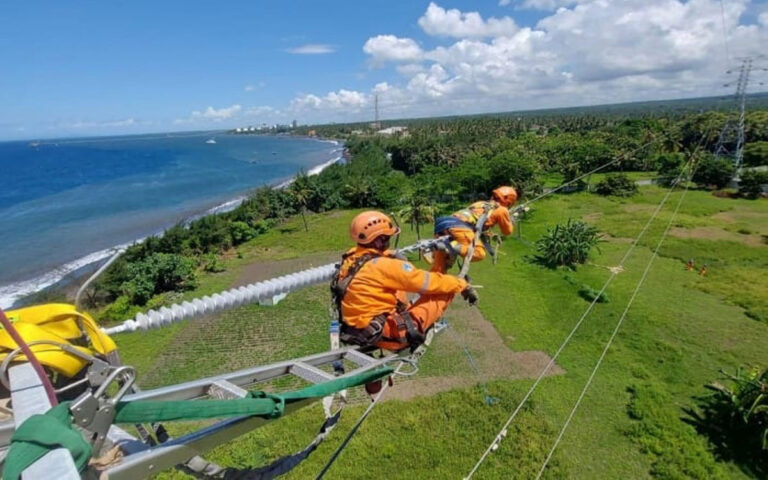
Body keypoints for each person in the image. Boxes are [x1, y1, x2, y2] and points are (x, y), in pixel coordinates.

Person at [332, 211, 478, 352]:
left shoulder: (351, 258)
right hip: (387, 335)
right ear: (379, 240)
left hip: (360, 330)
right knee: (444, 290)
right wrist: (462, 284)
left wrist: (392, 255)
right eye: (387, 238)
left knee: (404, 289)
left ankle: (441, 268)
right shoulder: (384, 266)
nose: (389, 242)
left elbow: (375, 259)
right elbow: (427, 283)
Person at [430, 186, 518, 273]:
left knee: (440, 267)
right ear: (509, 202)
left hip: (443, 224)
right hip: (460, 226)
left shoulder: (481, 204)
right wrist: (510, 220)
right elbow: (507, 231)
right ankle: (448, 245)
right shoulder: (502, 210)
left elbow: (479, 221)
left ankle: (442, 249)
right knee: (479, 253)